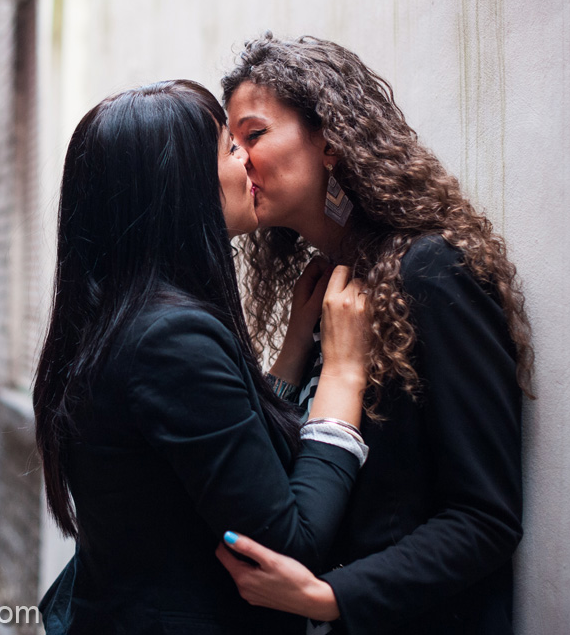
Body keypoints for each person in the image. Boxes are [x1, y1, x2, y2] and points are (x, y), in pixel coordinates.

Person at [214, 34, 531, 635]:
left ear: (331, 140)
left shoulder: (432, 271)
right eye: (231, 145)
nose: (240, 161)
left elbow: (485, 516)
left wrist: (330, 596)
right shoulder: (326, 287)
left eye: (254, 135)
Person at [33, 80, 372, 634]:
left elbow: (219, 461)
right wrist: (342, 371)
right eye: (229, 148)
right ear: (181, 186)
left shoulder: (122, 319)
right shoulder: (170, 341)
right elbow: (289, 543)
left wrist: (288, 360)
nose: (248, 162)